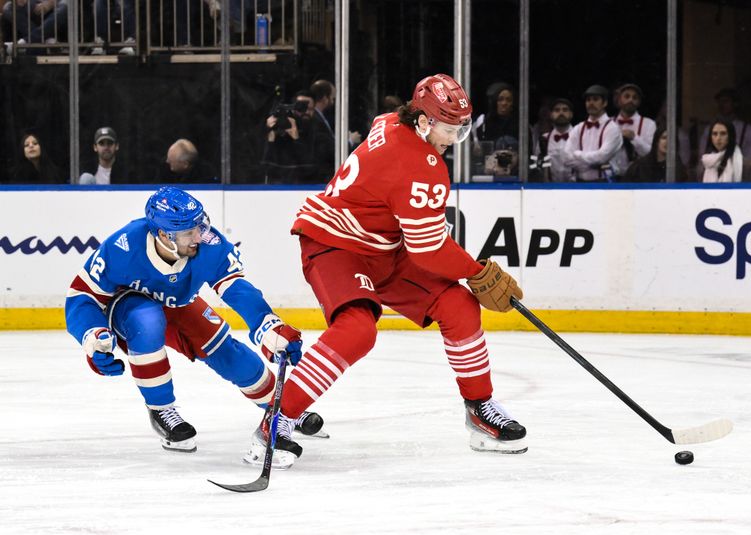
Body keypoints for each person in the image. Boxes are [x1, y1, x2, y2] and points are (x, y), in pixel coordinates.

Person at [267, 73, 527, 464]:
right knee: (357, 329)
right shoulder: (422, 166)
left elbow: (415, 235)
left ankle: (480, 409)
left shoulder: (391, 121)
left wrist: (467, 274)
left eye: (461, 129)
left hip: (383, 248)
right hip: (334, 243)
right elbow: (428, 249)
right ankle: (277, 418)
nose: (453, 140)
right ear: (422, 122)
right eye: (449, 130)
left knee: (458, 306)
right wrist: (476, 270)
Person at [64, 186, 324, 466]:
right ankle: (162, 410)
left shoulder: (209, 243)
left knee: (228, 353)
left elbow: (236, 287)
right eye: (189, 232)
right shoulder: (123, 246)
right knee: (148, 320)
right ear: (164, 234)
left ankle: (282, 411)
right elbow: (81, 296)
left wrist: (266, 324)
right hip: (129, 308)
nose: (199, 236)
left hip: (178, 303)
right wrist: (92, 335)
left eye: (200, 226)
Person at [563, 84, 623, 182]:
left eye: (595, 99)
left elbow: (601, 157)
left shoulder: (613, 128)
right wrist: (592, 164)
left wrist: (578, 154)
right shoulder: (578, 128)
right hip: (580, 182)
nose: (591, 103)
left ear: (605, 103)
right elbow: (566, 158)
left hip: (605, 183)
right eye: (588, 100)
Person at [472, 82, 533, 178]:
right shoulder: (484, 123)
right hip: (489, 174)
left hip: (517, 175)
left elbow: (528, 153)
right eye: (500, 99)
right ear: (495, 102)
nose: (504, 103)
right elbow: (477, 152)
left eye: (508, 100)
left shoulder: (522, 125)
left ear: (513, 103)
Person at [698, 88, 751, 175]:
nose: (721, 105)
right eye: (719, 102)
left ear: (735, 104)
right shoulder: (709, 130)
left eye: (726, 101)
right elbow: (701, 161)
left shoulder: (748, 131)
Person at [262, 90, 317, 183]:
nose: (306, 112)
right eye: (301, 108)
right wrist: (267, 132)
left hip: (304, 186)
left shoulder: (317, 132)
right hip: (276, 186)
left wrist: (296, 139)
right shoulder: (277, 129)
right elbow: (264, 168)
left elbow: (310, 169)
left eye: (310, 109)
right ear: (294, 109)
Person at [611, 83, 657, 176]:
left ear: (639, 102)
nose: (631, 100)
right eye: (627, 96)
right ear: (619, 99)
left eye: (635, 97)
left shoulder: (649, 124)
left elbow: (652, 154)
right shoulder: (609, 123)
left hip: (639, 177)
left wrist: (634, 138)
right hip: (613, 178)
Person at [622, 126, 688, 182]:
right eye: (664, 138)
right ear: (657, 141)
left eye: (671, 139)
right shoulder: (639, 166)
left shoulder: (678, 167)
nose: (667, 142)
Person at [532, 97, 574, 182]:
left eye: (565, 110)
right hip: (550, 189)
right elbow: (536, 165)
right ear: (551, 114)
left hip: (578, 189)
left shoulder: (580, 137)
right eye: (557, 110)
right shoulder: (544, 139)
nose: (561, 113)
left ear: (571, 114)